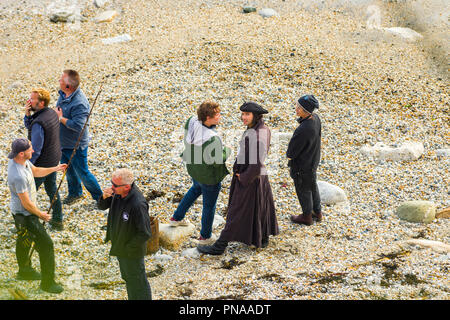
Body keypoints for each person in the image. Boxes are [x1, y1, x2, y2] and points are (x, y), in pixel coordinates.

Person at [197, 102, 279, 255]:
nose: (243, 117)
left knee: (235, 212)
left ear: (255, 115)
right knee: (259, 207)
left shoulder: (258, 134)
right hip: (258, 177)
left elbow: (258, 161)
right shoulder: (258, 128)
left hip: (251, 178)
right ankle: (261, 238)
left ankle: (219, 247)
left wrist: (244, 177)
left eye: (247, 114)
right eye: (242, 114)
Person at [7, 138, 67, 293]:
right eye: (30, 149)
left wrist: (55, 168)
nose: (33, 151)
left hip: (22, 211)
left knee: (24, 239)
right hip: (25, 215)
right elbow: (26, 204)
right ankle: (47, 283)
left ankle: (24, 271)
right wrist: (42, 215)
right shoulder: (18, 175)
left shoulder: (21, 162)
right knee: (46, 245)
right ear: (21, 153)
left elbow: (35, 171)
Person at [170, 101, 231, 245]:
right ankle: (205, 236)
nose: (220, 116)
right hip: (209, 177)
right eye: (217, 115)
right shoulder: (212, 137)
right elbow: (217, 160)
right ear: (208, 118)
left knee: (195, 189)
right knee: (209, 206)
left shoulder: (191, 121)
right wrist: (227, 150)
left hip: (193, 167)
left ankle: (176, 219)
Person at [97, 168, 152, 300]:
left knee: (138, 282)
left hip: (131, 251)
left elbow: (145, 233)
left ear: (127, 187)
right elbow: (102, 206)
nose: (112, 187)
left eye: (115, 185)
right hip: (120, 247)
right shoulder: (117, 193)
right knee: (128, 279)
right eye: (111, 183)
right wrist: (104, 197)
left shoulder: (138, 204)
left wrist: (128, 248)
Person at [54, 69, 103, 204]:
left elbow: (78, 126)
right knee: (68, 170)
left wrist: (60, 118)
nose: (59, 81)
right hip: (63, 143)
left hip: (76, 145)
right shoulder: (63, 94)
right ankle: (75, 193)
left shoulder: (79, 103)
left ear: (68, 86)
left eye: (61, 80)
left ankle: (101, 199)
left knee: (83, 173)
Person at [24, 88, 64, 231]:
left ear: (41, 103)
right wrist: (27, 114)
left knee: (28, 193)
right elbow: (31, 126)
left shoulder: (39, 123)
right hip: (54, 159)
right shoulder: (51, 113)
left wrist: (27, 166)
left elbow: (36, 149)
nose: (29, 101)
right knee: (52, 188)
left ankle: (28, 223)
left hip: (42, 165)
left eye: (32, 99)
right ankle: (58, 220)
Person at [287, 95, 322, 226]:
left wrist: (290, 157)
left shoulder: (303, 129)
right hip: (313, 160)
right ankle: (317, 212)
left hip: (302, 165)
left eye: (298, 107)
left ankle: (306, 216)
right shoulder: (316, 119)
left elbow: (291, 152)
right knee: (313, 185)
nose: (296, 109)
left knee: (303, 189)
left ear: (304, 110)